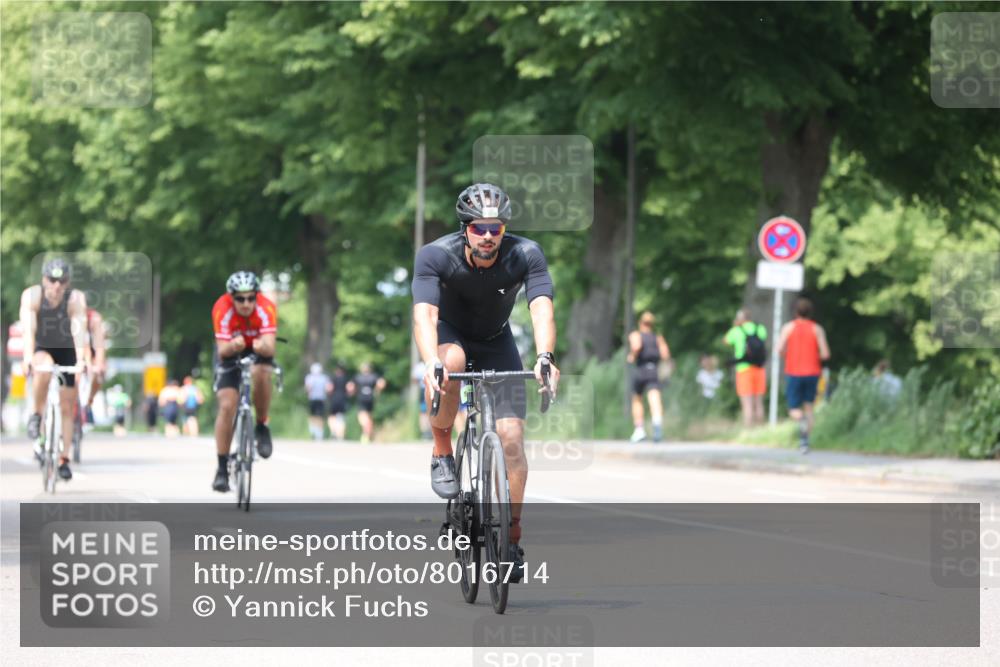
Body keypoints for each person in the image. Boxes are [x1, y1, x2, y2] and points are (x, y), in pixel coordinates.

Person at [412, 182, 560, 582]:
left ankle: (512, 536)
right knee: (452, 362)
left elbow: (541, 308)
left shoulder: (525, 254)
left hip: (497, 341)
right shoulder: (436, 256)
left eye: (496, 228)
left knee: (511, 439)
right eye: (480, 228)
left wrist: (545, 356)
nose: (489, 237)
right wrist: (430, 362)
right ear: (465, 229)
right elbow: (424, 315)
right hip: (451, 335)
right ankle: (442, 452)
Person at [19, 258, 89, 481]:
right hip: (42, 347)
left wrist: (80, 360)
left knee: (68, 406)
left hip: (66, 348)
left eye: (62, 281)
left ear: (67, 282)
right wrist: (27, 357)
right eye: (52, 280)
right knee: (43, 367)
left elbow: (79, 331)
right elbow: (28, 331)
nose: (56, 285)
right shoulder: (32, 296)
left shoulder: (75, 299)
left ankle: (63, 459)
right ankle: (37, 415)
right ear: (43, 280)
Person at [210, 271, 279, 492]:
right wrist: (234, 346)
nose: (246, 303)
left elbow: (270, 346)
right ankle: (222, 468)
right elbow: (222, 350)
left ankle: (261, 425)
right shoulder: (222, 308)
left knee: (262, 372)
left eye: (251, 297)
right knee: (227, 405)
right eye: (240, 299)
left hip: (258, 349)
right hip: (230, 351)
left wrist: (261, 347)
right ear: (231, 297)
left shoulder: (266, 308)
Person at [778, 297, 831, 453]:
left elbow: (780, 349)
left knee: (794, 408)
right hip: (812, 372)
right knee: (809, 407)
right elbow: (826, 354)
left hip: (794, 372)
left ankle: (800, 422)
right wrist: (813, 355)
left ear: (795, 311)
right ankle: (804, 441)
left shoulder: (788, 328)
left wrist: (788, 355)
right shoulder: (817, 329)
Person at [626, 311, 671, 442]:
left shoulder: (636, 334)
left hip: (641, 369)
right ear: (651, 325)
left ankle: (639, 430)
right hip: (653, 370)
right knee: (654, 398)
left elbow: (636, 346)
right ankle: (657, 425)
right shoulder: (658, 338)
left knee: (637, 399)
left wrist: (632, 356)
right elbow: (665, 354)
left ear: (641, 323)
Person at [724, 308, 767, 427]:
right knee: (758, 402)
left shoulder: (736, 330)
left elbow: (726, 341)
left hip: (744, 369)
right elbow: (763, 340)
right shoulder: (760, 328)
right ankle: (760, 430)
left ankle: (748, 430)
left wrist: (735, 325)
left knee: (747, 403)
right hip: (759, 368)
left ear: (740, 318)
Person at [349, 362, 386, 443]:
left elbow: (350, 386)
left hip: (361, 398)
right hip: (370, 398)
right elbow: (381, 383)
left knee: (362, 418)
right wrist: (377, 391)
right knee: (369, 417)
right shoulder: (374, 376)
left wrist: (352, 393)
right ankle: (369, 433)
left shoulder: (358, 377)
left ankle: (366, 434)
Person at [82, 307, 107, 424]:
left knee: (99, 374)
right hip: (73, 350)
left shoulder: (94, 318)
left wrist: (99, 364)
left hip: (91, 352)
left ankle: (88, 402)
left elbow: (99, 345)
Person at [304, 362, 332, 440]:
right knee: (319, 416)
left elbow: (308, 388)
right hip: (321, 398)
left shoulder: (309, 377)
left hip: (313, 398)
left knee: (313, 415)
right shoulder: (324, 378)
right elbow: (328, 389)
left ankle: (314, 431)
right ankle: (318, 432)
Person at [326, 364, 350, 441]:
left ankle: (333, 432)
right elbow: (350, 389)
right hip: (343, 399)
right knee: (341, 417)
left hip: (334, 399)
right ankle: (341, 435)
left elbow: (329, 388)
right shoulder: (346, 379)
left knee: (332, 416)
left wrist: (329, 395)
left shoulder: (333, 378)